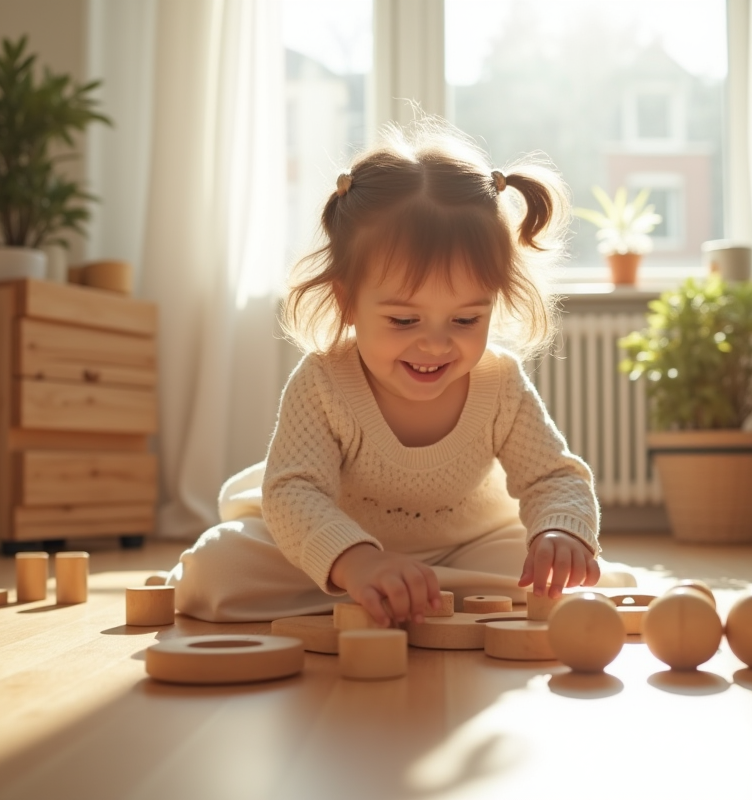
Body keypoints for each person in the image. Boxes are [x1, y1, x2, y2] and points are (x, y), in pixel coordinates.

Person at [168, 120, 635, 625]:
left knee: (574, 580)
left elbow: (553, 476)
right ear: (348, 302)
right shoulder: (324, 381)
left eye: (465, 319)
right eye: (404, 319)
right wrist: (359, 562)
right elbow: (293, 493)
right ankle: (393, 590)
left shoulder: (499, 382)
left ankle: (417, 591)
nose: (435, 343)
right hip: (338, 549)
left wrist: (560, 533)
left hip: (467, 545)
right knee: (214, 571)